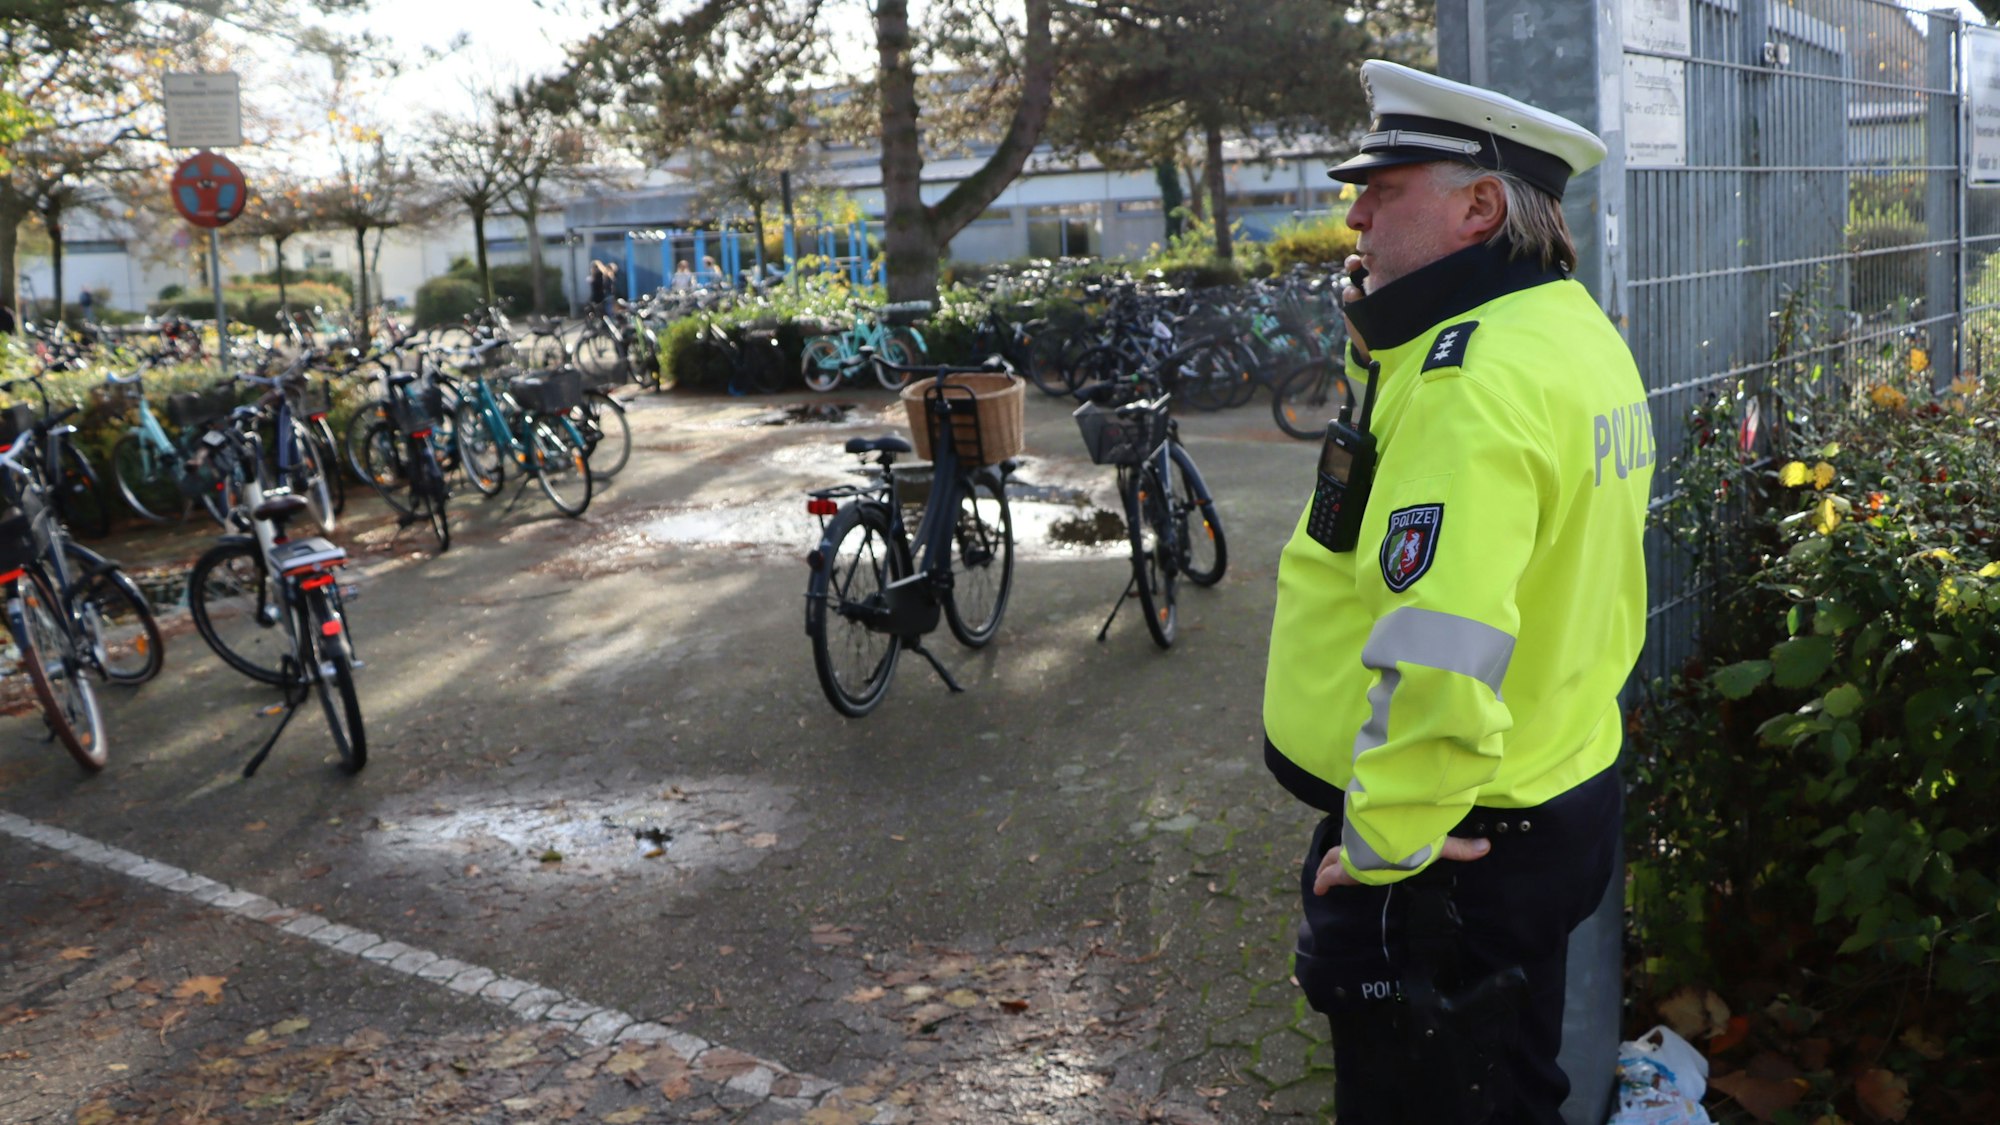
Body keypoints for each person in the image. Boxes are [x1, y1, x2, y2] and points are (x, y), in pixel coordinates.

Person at [1262, 60, 1653, 1124]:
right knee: (1512, 1080)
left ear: (1478, 206)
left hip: (1447, 841)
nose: (1353, 213)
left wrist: (1383, 854)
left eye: (1383, 191)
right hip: (1555, 789)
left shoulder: (1468, 378)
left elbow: (1437, 647)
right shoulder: (1571, 332)